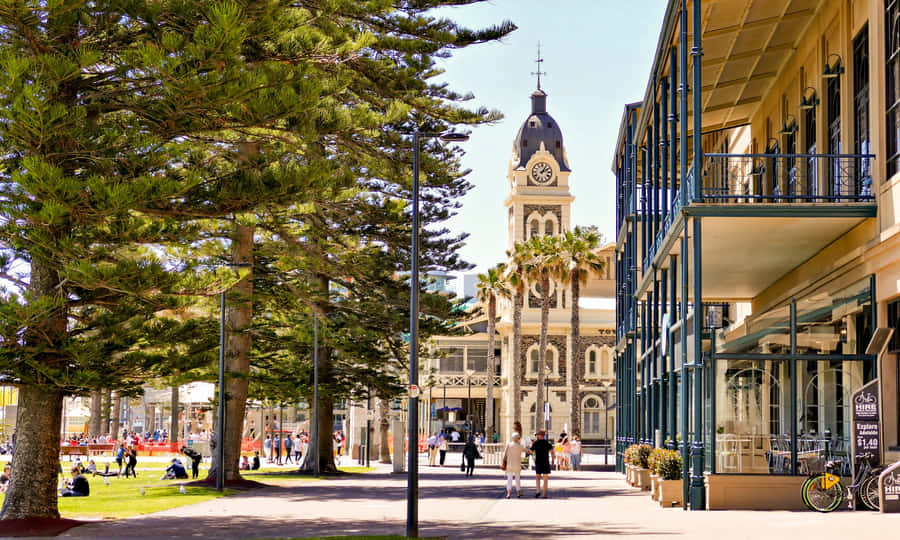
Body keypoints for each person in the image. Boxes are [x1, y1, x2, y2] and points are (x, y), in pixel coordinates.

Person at [530, 430, 555, 498]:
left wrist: (534, 457)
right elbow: (552, 452)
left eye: (538, 435)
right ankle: (544, 494)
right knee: (545, 479)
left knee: (538, 477)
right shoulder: (547, 443)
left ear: (539, 435)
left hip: (538, 462)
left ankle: (538, 491)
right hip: (545, 462)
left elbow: (531, 451)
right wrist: (553, 460)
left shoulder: (535, 443)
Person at [502, 432, 526, 498]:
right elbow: (527, 451)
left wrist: (503, 462)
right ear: (517, 439)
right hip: (517, 465)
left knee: (509, 479)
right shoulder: (520, 446)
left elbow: (505, 455)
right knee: (517, 479)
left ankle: (508, 493)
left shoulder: (509, 445)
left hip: (509, 465)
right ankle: (518, 493)